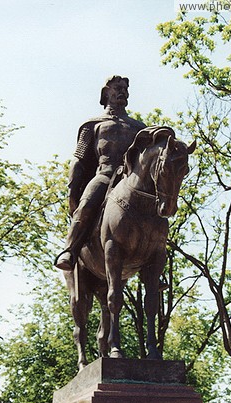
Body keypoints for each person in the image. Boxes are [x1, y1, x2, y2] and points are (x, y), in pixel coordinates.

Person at [55, 75, 146, 271]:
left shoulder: (139, 128)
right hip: (105, 175)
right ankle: (70, 249)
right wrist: (72, 192)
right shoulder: (93, 125)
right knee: (87, 203)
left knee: (155, 213)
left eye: (125, 88)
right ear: (106, 93)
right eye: (117, 87)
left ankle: (154, 265)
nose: (122, 91)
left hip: (131, 181)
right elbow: (79, 159)